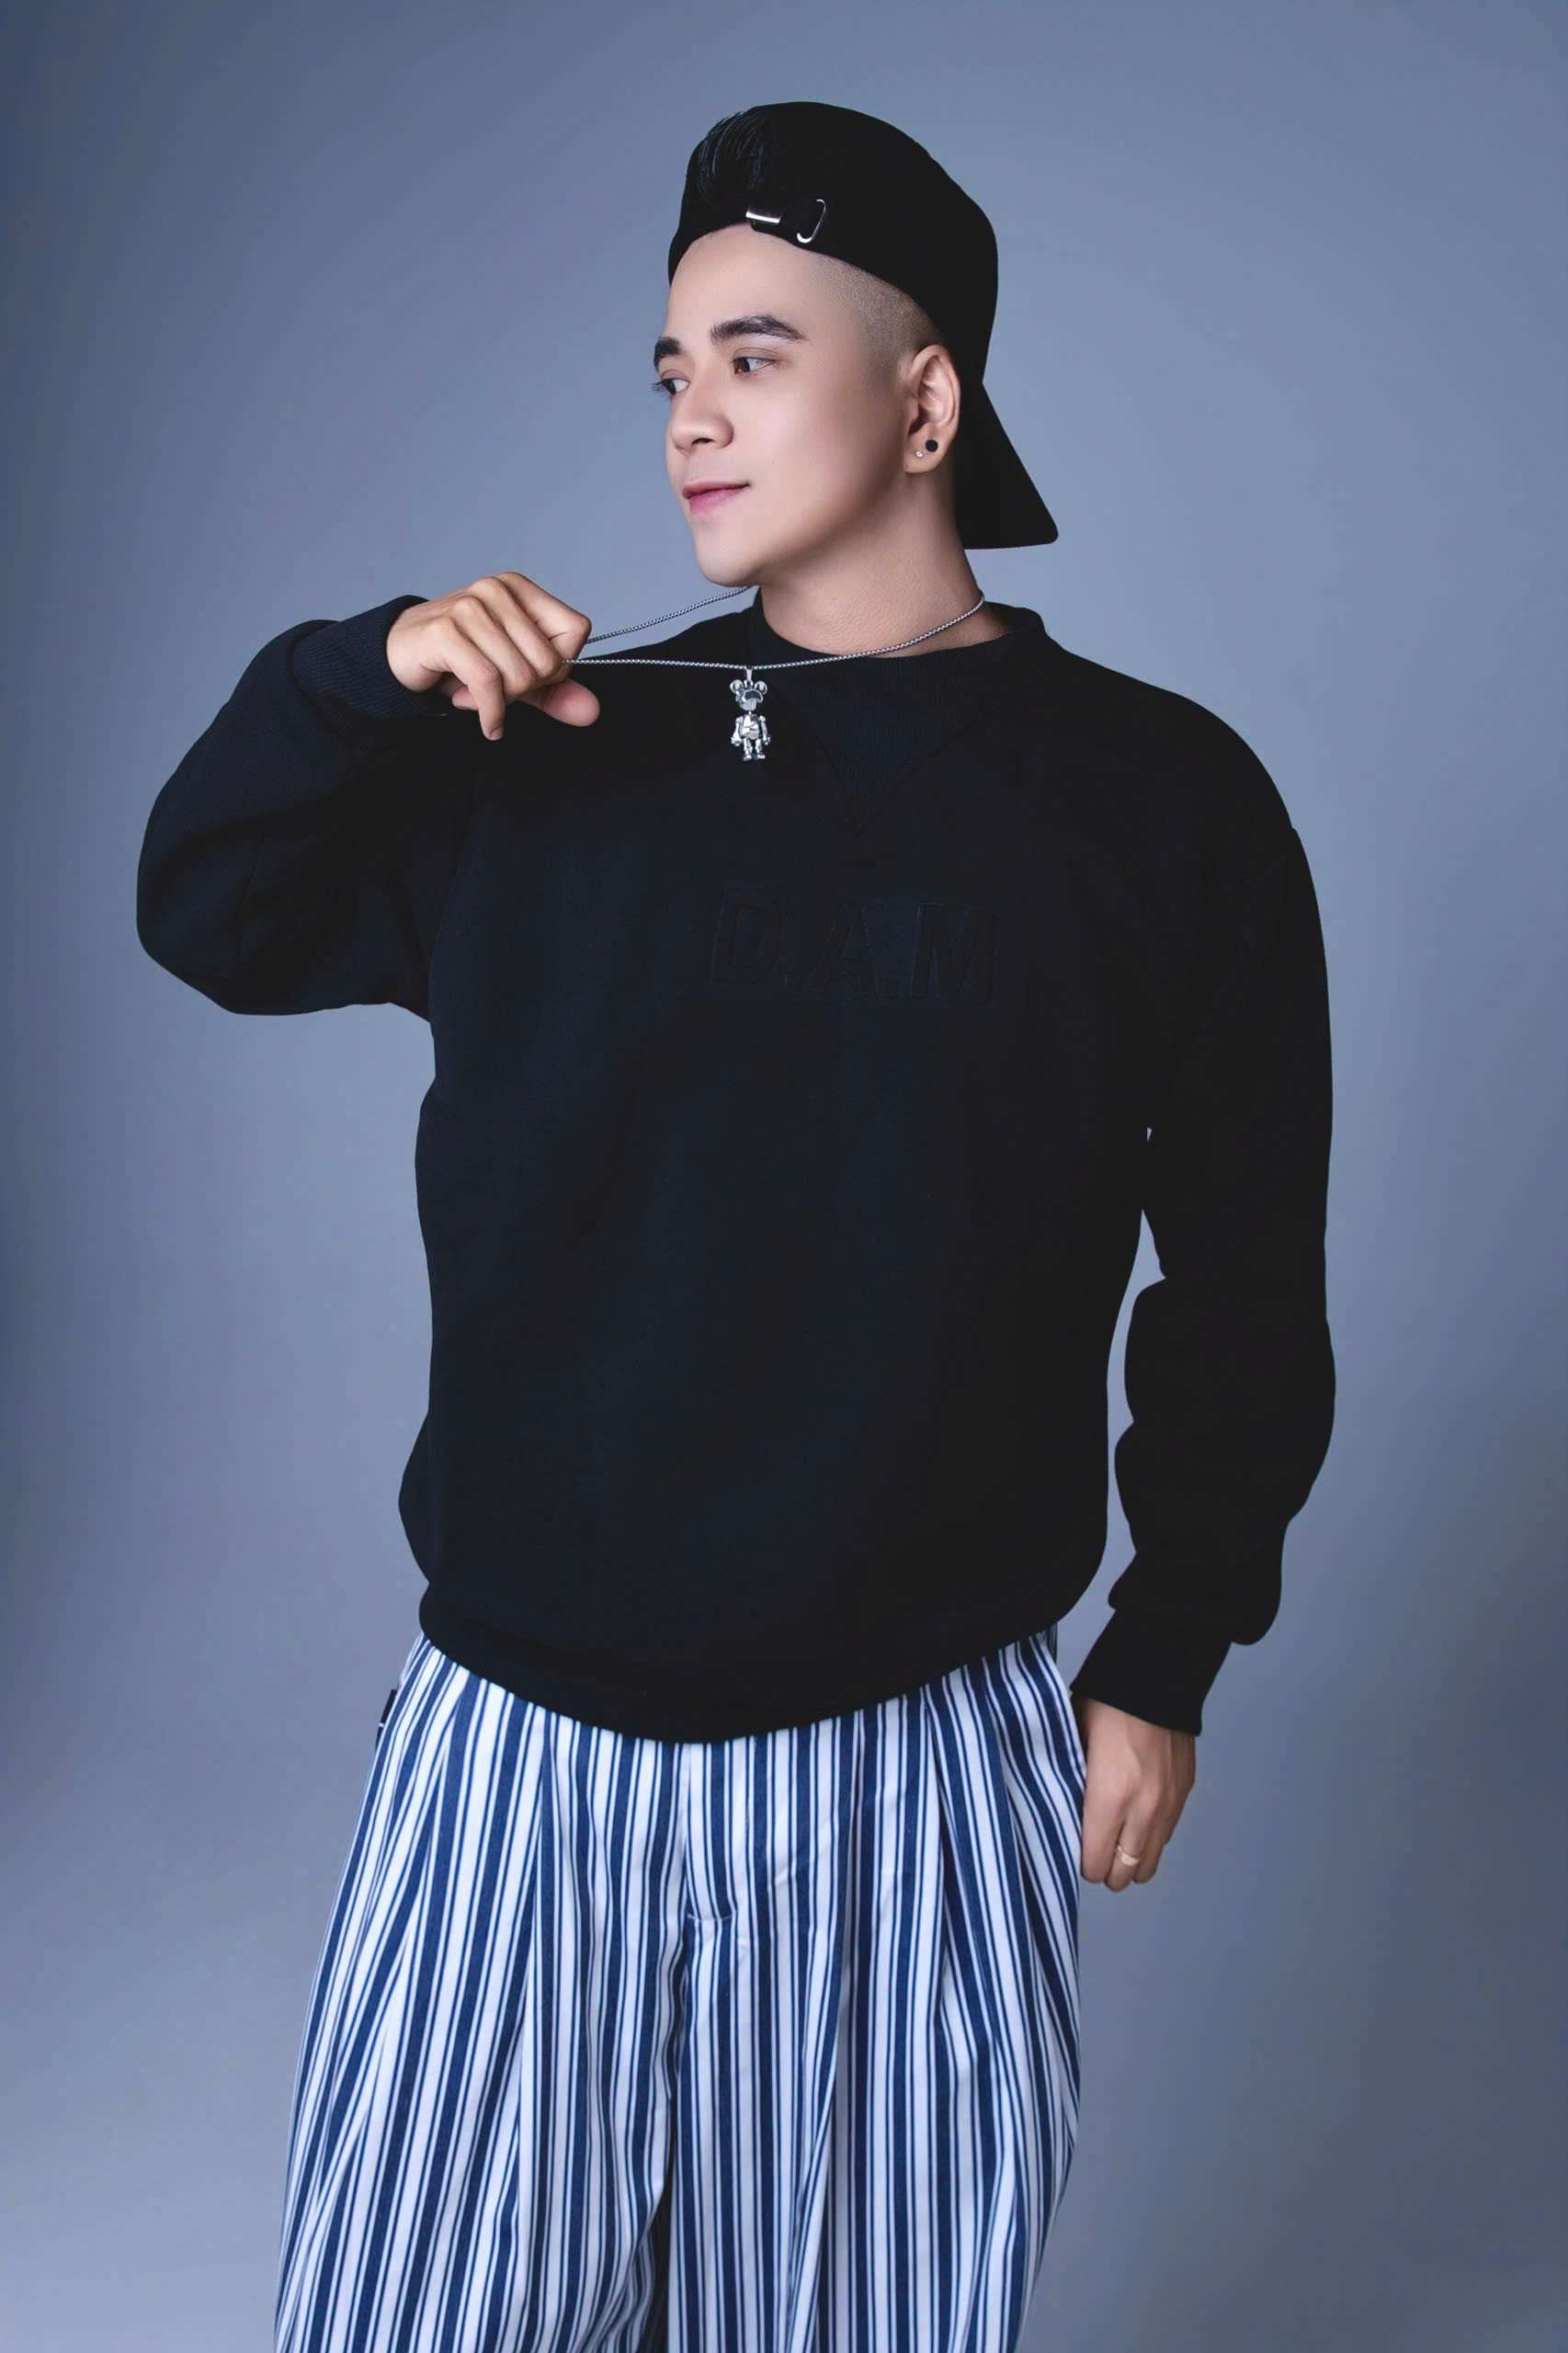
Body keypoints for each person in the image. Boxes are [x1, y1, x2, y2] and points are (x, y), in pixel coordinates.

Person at [136, 98, 1335, 2353]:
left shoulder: (1160, 800)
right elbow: (208, 904)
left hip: (917, 1754)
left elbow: (1247, 1271)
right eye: (671, 367)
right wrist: (358, 670)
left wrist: (1169, 1644)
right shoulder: (551, 745)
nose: (690, 412)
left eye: (756, 355)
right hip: (518, 1756)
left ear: (926, 400)